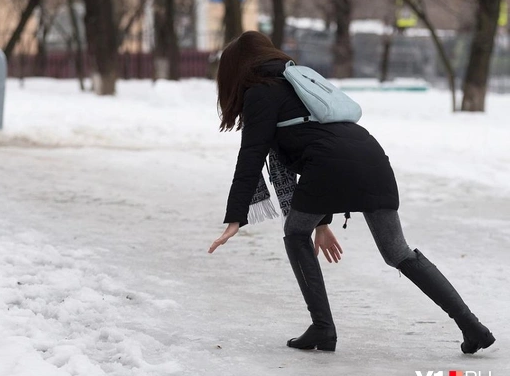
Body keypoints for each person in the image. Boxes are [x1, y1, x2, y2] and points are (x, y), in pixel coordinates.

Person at [207, 30, 495, 354]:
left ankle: (322, 328)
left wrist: (236, 216)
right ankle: (473, 326)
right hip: (370, 156)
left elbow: (252, 155)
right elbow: (316, 142)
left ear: (237, 69)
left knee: (294, 233)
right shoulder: (302, 80)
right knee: (398, 252)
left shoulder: (261, 93)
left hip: (332, 166)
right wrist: (321, 222)